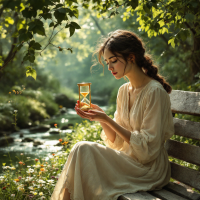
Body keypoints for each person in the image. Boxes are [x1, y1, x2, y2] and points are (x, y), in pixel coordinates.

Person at [50, 30, 174, 200]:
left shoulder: (154, 92)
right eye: (107, 62)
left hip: (148, 169)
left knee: (82, 148)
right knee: (82, 150)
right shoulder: (123, 91)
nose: (109, 68)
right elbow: (116, 142)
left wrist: (107, 119)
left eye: (113, 61)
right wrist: (101, 118)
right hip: (127, 161)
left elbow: (148, 150)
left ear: (131, 58)